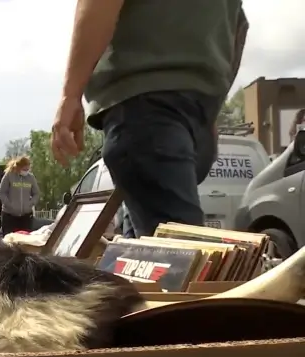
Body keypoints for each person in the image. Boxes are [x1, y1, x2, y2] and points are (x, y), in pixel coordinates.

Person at [51, 1, 249, 238]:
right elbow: (238, 28)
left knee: (176, 260)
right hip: (180, 113)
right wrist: (210, 109)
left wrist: (70, 94)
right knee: (164, 254)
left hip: (148, 107)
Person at [0, 156, 39, 235]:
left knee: (25, 240)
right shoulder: (9, 176)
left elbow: (36, 194)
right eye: (24, 169)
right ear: (18, 167)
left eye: (27, 169)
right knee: (9, 240)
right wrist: (10, 205)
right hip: (10, 215)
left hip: (25, 216)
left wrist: (30, 203)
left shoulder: (31, 178)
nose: (26, 171)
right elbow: (2, 193)